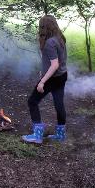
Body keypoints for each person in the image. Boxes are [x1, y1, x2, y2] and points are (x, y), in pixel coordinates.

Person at [22, 15, 68, 144]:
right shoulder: (60, 38)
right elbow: (56, 61)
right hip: (62, 76)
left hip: (52, 78)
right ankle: (60, 135)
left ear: (44, 27)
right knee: (59, 104)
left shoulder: (49, 42)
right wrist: (43, 70)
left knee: (32, 101)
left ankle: (37, 136)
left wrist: (42, 81)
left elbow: (55, 65)